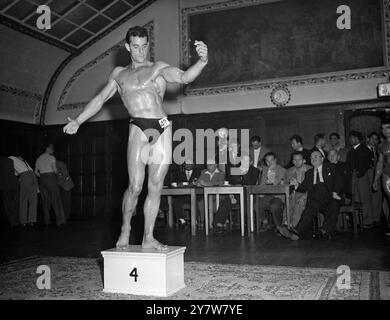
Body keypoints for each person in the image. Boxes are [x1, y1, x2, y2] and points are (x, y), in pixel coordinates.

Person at [64, 26, 208, 250]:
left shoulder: (158, 68)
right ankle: (126, 228)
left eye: (144, 46)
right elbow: (101, 98)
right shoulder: (119, 74)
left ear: (148, 45)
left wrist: (202, 61)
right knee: (135, 185)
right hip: (138, 127)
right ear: (128, 47)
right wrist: (79, 121)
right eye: (136, 47)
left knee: (156, 186)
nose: (141, 52)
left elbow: (183, 77)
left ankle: (148, 237)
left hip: (161, 125)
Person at [277, 151, 342, 240]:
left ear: (322, 159)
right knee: (312, 204)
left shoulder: (331, 167)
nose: (313, 159)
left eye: (316, 157)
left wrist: (335, 192)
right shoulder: (309, 173)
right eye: (311, 157)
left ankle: (303, 230)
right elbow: (303, 188)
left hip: (330, 198)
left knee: (321, 188)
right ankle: (297, 231)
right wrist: (296, 185)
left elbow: (340, 180)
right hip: (316, 201)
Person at [214, 154, 260, 231]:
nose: (244, 162)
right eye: (242, 160)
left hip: (249, 194)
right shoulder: (235, 169)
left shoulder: (255, 170)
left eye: (247, 161)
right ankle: (219, 223)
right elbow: (231, 183)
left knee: (246, 204)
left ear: (251, 162)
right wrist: (231, 195)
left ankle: (248, 224)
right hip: (235, 193)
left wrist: (244, 172)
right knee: (225, 202)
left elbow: (250, 183)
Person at [346, 131, 374, 228]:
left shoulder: (365, 150)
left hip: (362, 177)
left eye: (352, 138)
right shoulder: (350, 152)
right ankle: (357, 222)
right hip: (352, 177)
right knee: (355, 199)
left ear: (358, 139)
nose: (350, 140)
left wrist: (359, 174)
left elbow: (367, 164)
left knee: (365, 198)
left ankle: (368, 221)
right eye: (350, 138)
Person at [35, 143, 66, 227]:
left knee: (45, 202)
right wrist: (58, 174)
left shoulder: (38, 158)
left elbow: (35, 172)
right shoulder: (51, 157)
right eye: (52, 149)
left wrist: (42, 176)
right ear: (47, 148)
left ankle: (47, 222)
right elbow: (55, 170)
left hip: (42, 180)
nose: (53, 150)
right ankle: (60, 221)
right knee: (56, 200)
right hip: (51, 179)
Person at [257, 152, 286, 232]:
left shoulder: (282, 170)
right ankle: (265, 222)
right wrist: (261, 193)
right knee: (257, 204)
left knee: (274, 205)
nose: (269, 163)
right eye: (267, 161)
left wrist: (270, 172)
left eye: (271, 160)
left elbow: (275, 183)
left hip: (279, 196)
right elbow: (262, 185)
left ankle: (279, 226)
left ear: (275, 160)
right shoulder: (264, 170)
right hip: (268, 196)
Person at [8, 155, 38, 227]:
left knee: (23, 199)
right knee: (33, 200)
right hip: (32, 174)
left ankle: (23, 221)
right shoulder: (20, 158)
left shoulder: (9, 158)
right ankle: (32, 220)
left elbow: (11, 171)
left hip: (25, 175)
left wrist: (19, 177)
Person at [284, 151, 311, 227]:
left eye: (299, 159)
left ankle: (294, 227)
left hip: (307, 195)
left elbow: (313, 188)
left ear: (304, 160)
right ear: (292, 161)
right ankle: (286, 224)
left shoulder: (310, 170)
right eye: (295, 160)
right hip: (294, 195)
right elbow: (285, 188)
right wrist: (289, 184)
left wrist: (305, 196)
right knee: (290, 199)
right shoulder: (289, 171)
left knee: (299, 201)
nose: (297, 162)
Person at [196, 159, 225, 229]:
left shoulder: (220, 173)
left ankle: (213, 221)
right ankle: (203, 221)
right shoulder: (204, 172)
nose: (208, 167)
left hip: (218, 195)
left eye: (210, 165)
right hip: (206, 195)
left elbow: (220, 183)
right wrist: (199, 184)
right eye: (207, 165)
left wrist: (207, 184)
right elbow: (197, 182)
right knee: (200, 202)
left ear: (216, 165)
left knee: (211, 203)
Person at [373, 120, 390, 235]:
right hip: (387, 174)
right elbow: (379, 163)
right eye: (383, 128)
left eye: (388, 128)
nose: (385, 131)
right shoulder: (381, 145)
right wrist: (375, 179)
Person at [172, 159, 200, 226]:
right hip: (183, 195)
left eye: (190, 164)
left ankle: (195, 220)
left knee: (194, 200)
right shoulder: (180, 173)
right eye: (187, 164)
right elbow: (177, 183)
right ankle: (182, 220)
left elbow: (199, 183)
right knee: (176, 201)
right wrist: (180, 184)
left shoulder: (197, 173)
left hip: (194, 194)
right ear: (184, 165)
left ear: (193, 165)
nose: (188, 165)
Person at [366, 132, 382, 226]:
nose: (374, 141)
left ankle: (376, 218)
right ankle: (370, 218)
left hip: (377, 175)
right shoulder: (364, 149)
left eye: (376, 139)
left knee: (377, 196)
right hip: (368, 175)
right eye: (372, 138)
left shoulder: (378, 149)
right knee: (369, 196)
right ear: (368, 138)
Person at [0, 156, 20, 229]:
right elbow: (15, 171)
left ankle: (13, 222)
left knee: (8, 205)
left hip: (5, 185)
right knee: (15, 203)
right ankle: (17, 220)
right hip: (14, 183)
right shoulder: (9, 160)